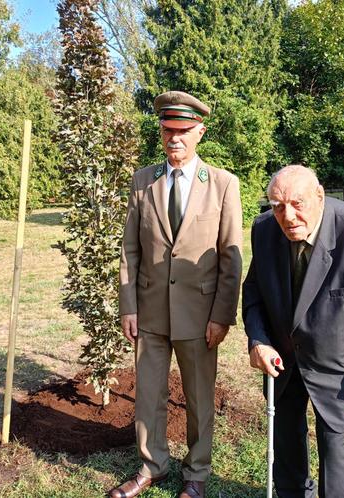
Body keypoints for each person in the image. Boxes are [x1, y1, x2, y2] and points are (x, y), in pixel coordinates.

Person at [110, 91, 242, 498]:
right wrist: (128, 305)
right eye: (168, 130)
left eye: (184, 130)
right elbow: (130, 249)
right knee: (148, 395)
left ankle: (197, 473)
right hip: (149, 311)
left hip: (200, 316)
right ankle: (153, 465)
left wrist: (222, 316)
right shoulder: (142, 181)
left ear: (200, 132)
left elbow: (230, 258)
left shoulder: (222, 185)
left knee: (199, 398)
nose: (175, 138)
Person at [243, 165, 344, 498]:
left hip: (338, 369)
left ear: (320, 196)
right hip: (282, 364)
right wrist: (258, 341)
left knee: (336, 456)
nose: (287, 216)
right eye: (277, 205)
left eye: (297, 203)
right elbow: (254, 294)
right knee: (286, 447)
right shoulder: (263, 229)